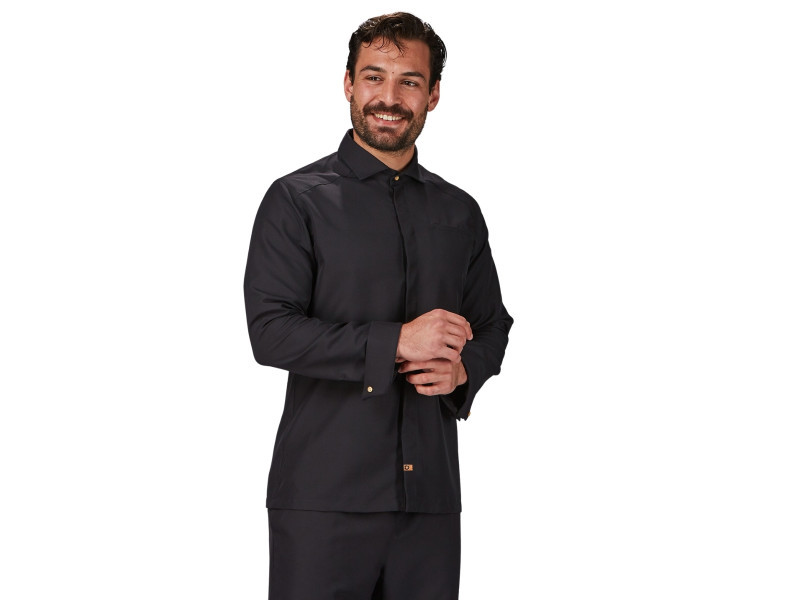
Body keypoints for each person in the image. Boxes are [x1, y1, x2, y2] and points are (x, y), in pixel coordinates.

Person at [244, 12, 513, 599]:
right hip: (323, 501)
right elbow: (271, 332)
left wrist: (464, 370)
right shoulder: (296, 201)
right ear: (348, 83)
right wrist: (397, 342)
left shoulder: (459, 212)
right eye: (374, 77)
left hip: (430, 503)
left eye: (409, 81)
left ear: (433, 94)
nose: (389, 98)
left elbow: (493, 323)